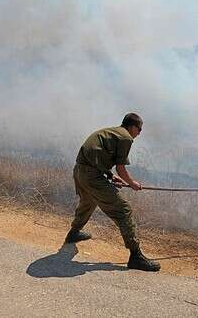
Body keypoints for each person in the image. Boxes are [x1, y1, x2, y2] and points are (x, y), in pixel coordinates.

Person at [65, 113, 160, 272]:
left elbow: (100, 158)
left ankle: (73, 232)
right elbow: (121, 168)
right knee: (124, 210)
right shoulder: (126, 138)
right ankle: (136, 256)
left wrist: (110, 176)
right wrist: (132, 183)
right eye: (139, 129)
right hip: (91, 175)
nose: (140, 133)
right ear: (131, 127)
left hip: (80, 170)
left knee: (88, 202)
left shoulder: (112, 132)